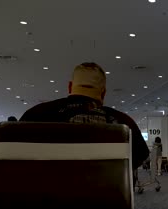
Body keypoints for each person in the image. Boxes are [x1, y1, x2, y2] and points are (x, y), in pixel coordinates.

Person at [20, 62, 149, 170]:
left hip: (41, 197)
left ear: (70, 87)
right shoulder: (124, 123)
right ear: (103, 93)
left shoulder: (34, 115)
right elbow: (138, 158)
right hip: (105, 197)